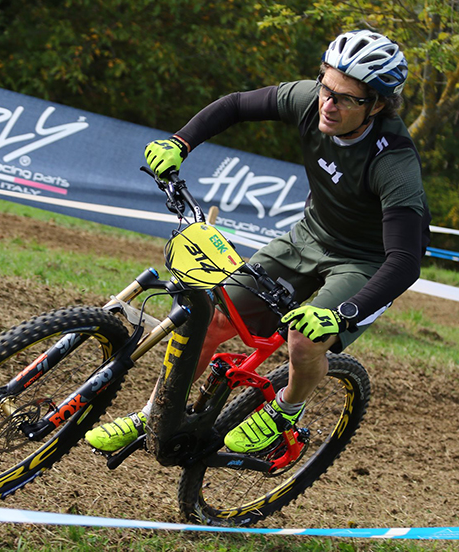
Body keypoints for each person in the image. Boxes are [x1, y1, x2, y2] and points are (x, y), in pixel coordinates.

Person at [85, 30, 431, 454]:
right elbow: (235, 105)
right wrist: (181, 141)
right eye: (326, 87)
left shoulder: (393, 162)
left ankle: (287, 408)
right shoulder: (310, 100)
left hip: (367, 261)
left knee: (304, 338)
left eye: (344, 98)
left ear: (376, 105)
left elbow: (405, 260)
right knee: (212, 318)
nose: (328, 104)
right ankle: (153, 414)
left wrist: (341, 315)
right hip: (311, 235)